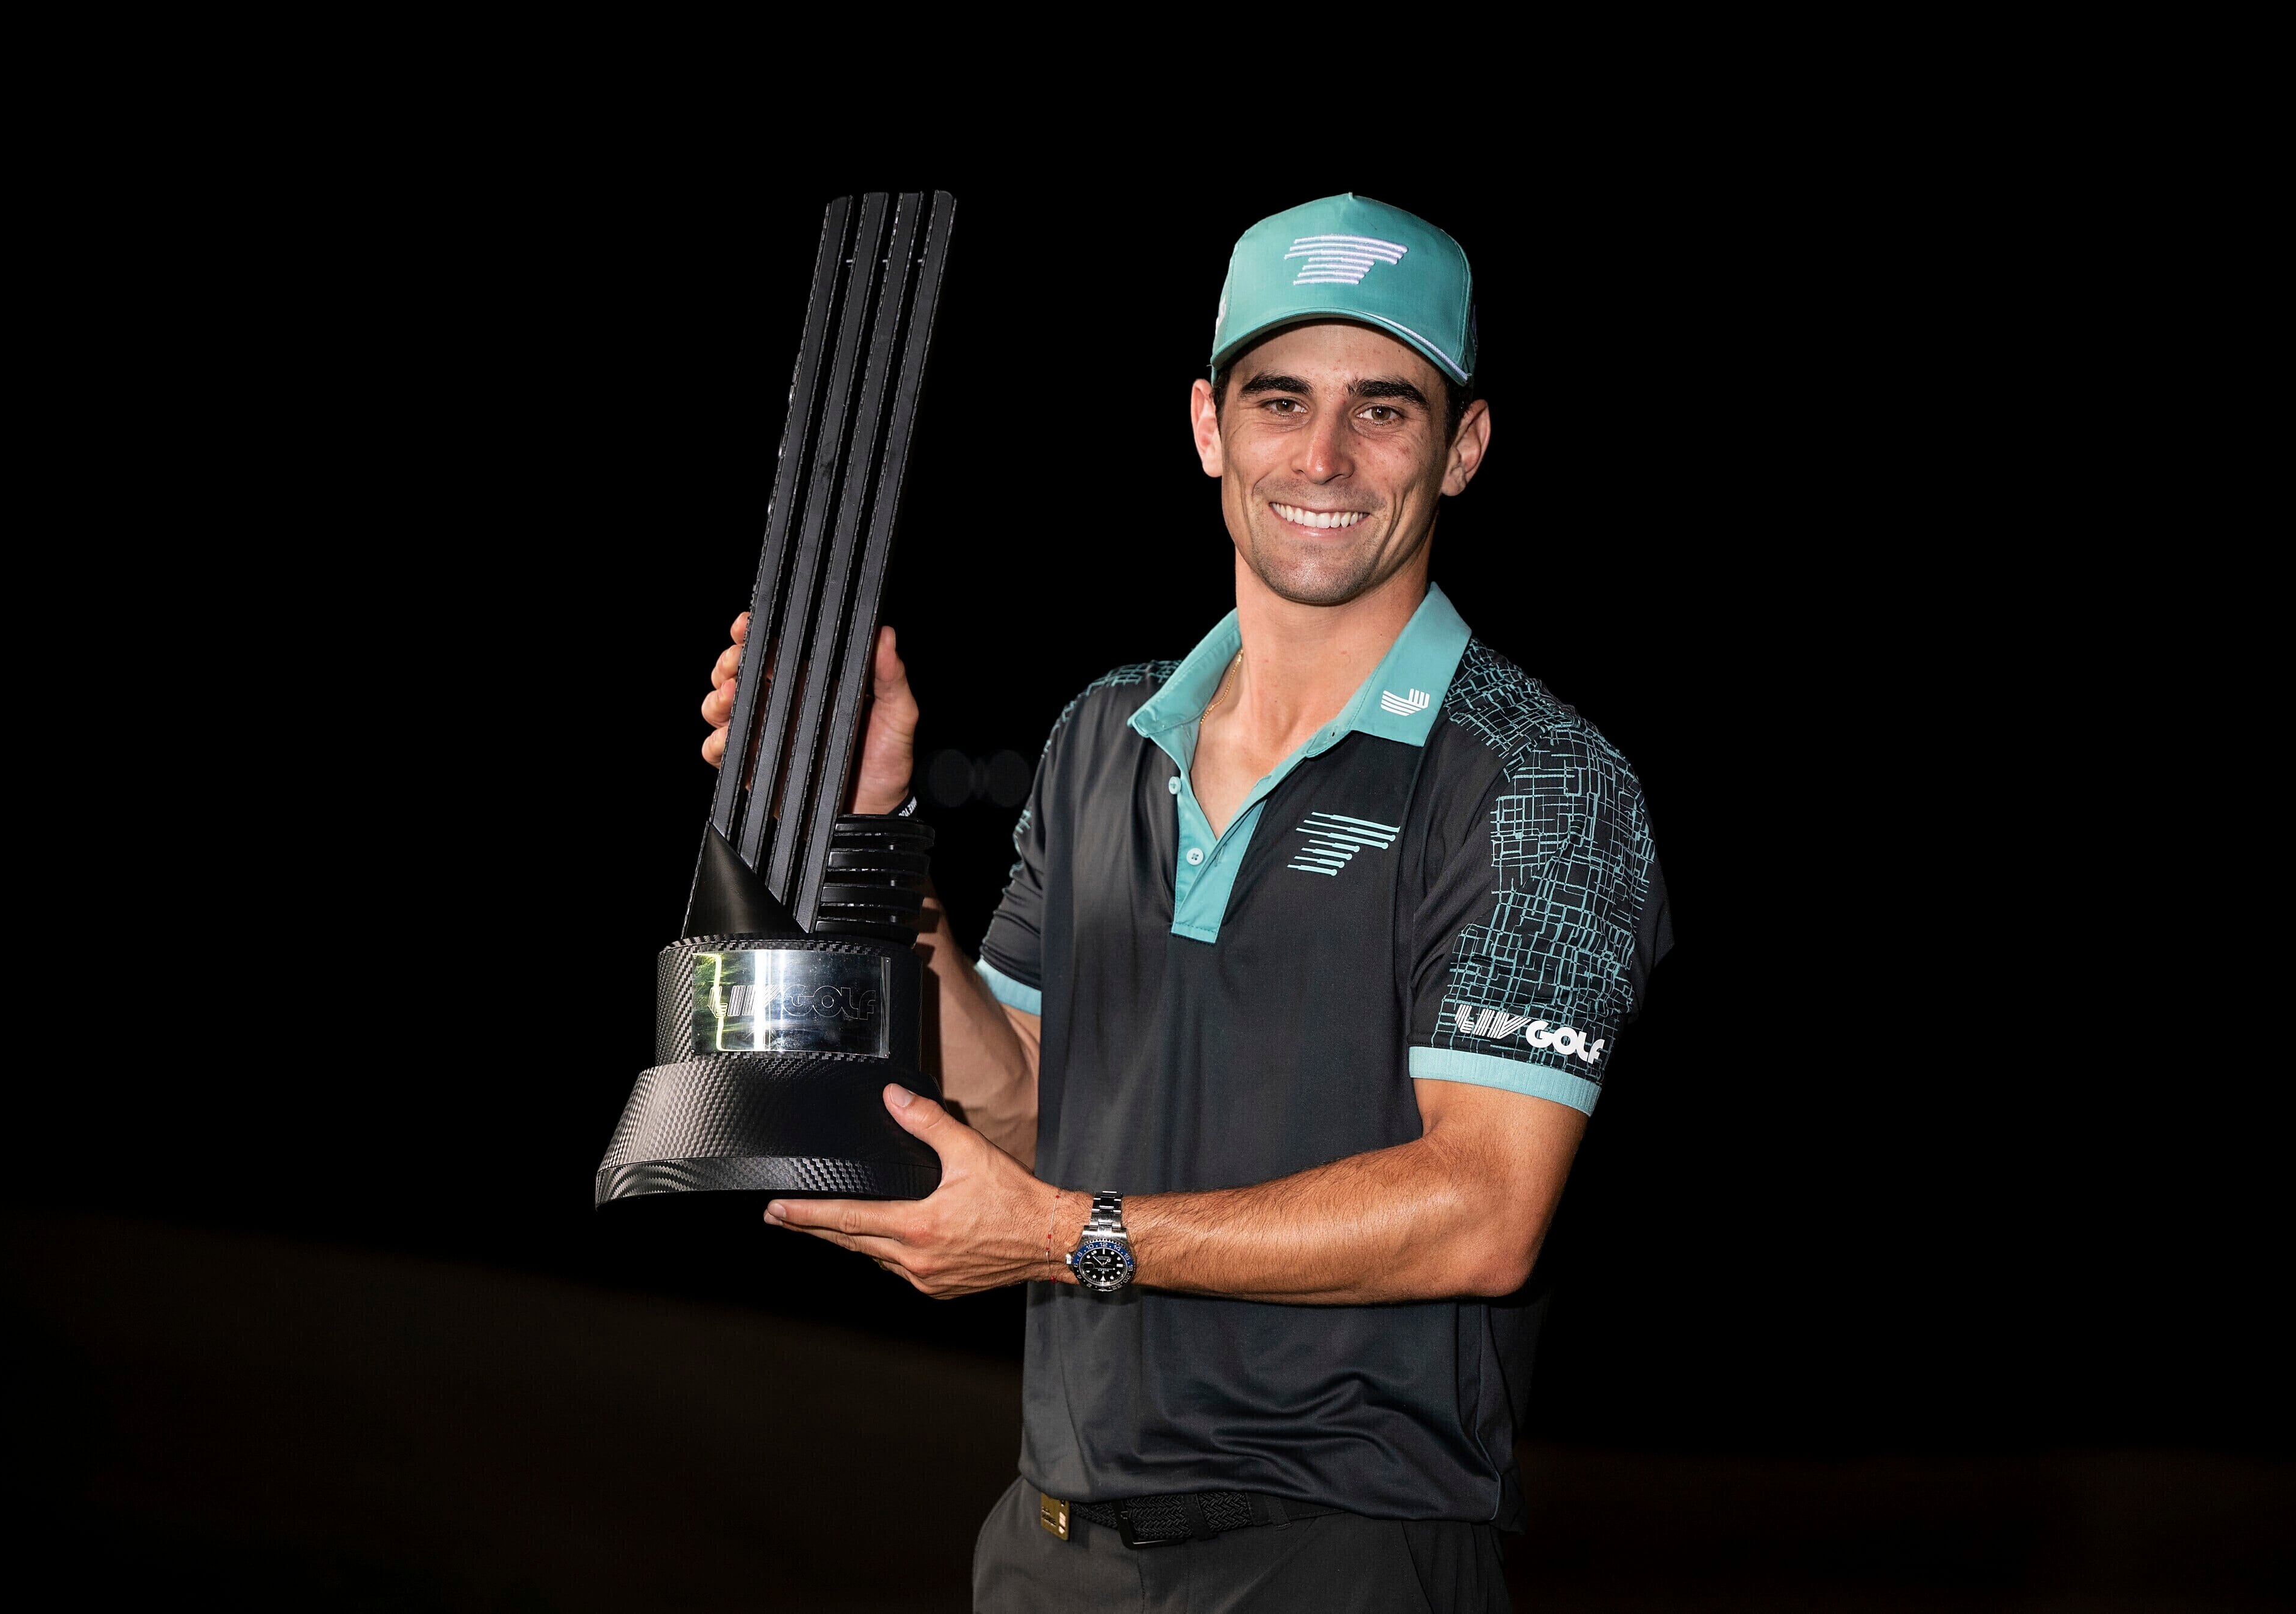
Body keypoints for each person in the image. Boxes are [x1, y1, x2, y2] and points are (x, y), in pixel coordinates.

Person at [701, 194, 1671, 1613]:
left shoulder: (1537, 778)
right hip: (1045, 1546)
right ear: (1209, 426)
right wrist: (873, 837)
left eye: (1383, 409)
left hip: (1342, 1552)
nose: (1321, 456)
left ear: (1462, 447)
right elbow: (1028, 1101)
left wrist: (1056, 1237)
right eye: (1279, 400)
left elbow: (1481, 1209)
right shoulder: (1106, 732)